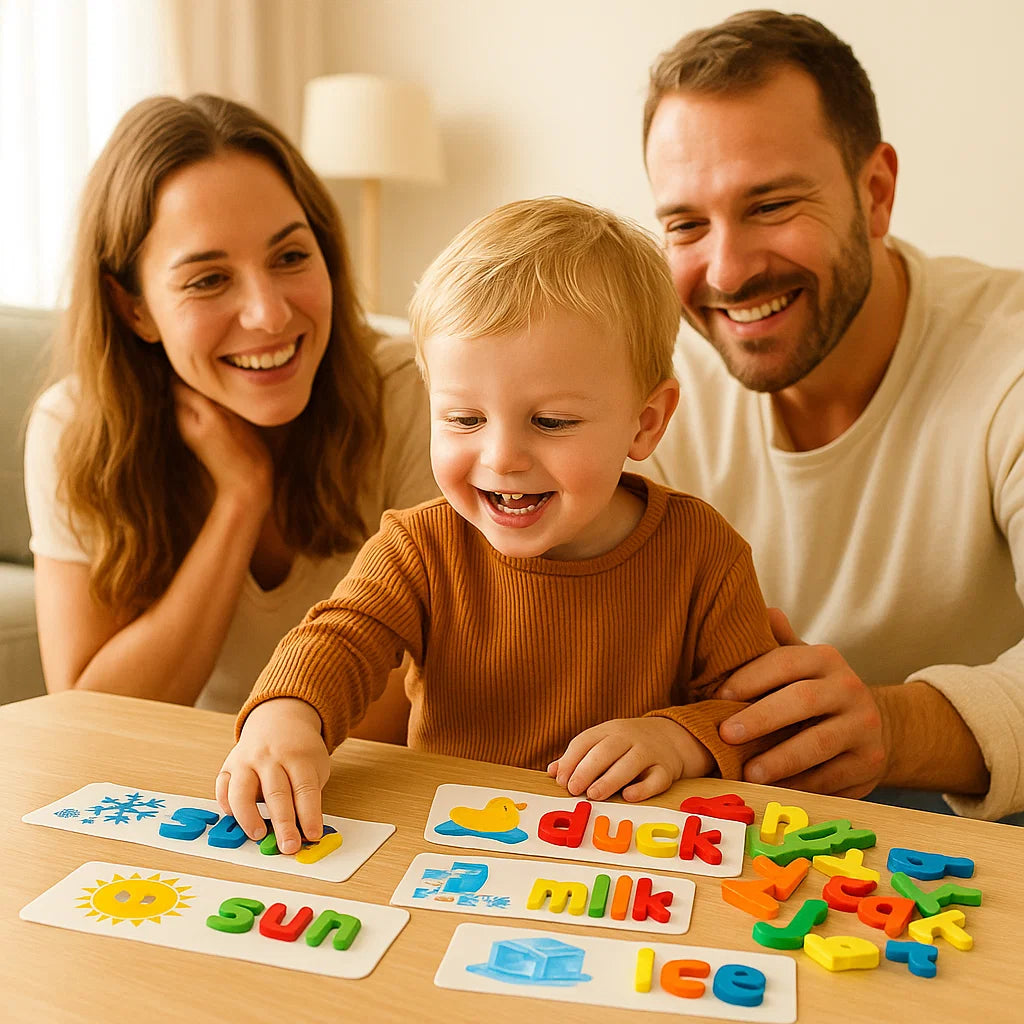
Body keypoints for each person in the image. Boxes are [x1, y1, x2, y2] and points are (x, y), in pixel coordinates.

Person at [217, 196, 783, 854]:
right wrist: (289, 715)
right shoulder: (418, 545)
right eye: (464, 419)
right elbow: (341, 637)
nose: (502, 458)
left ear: (646, 421)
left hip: (630, 864)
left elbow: (752, 716)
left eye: (551, 422)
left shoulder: (703, 552)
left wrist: (679, 738)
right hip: (450, 855)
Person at [640, 10, 1024, 821]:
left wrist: (891, 725)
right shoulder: (650, 387)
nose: (729, 270)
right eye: (685, 225)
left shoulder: (1008, 358)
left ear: (875, 192)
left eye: (772, 204)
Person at [23, 94, 436, 730]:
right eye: (209, 279)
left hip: (359, 798)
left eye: (290, 256)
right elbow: (89, 717)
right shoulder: (73, 428)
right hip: (193, 798)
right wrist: (240, 499)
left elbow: (421, 695)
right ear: (134, 308)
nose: (269, 314)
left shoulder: (415, 392)